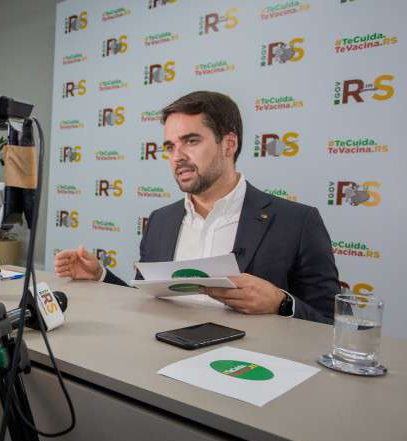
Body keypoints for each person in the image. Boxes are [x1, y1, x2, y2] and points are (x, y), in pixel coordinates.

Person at [54, 91, 339, 323]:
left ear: (229, 145)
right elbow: (148, 300)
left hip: (248, 369)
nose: (177, 156)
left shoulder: (297, 222)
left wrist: (281, 302)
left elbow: (328, 322)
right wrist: (101, 277)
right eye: (170, 146)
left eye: (191, 141)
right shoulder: (160, 221)